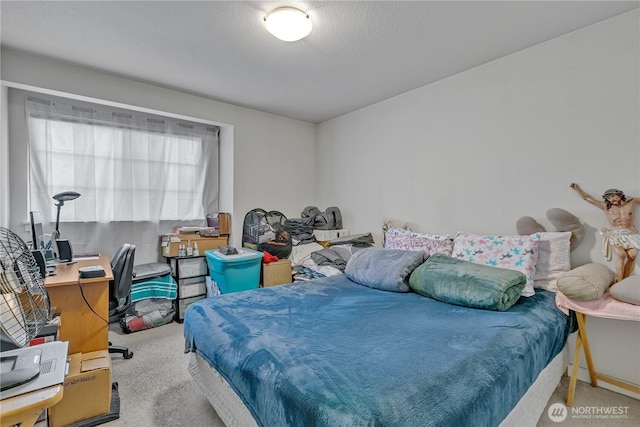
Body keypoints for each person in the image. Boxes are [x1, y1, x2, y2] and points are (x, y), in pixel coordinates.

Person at [570, 183, 640, 282]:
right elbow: (587, 198)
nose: (612, 199)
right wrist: (577, 189)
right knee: (621, 255)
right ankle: (619, 281)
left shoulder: (631, 202)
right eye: (609, 198)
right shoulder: (605, 206)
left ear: (620, 195)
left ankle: (625, 280)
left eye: (613, 196)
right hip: (616, 235)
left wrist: (630, 198)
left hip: (631, 234)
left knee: (632, 256)